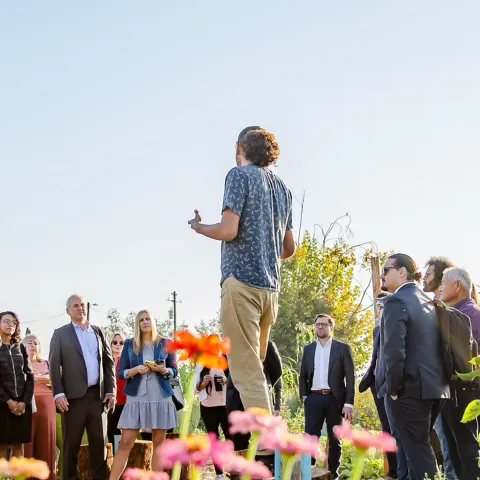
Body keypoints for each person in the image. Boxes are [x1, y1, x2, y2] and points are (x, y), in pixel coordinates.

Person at [188, 126, 295, 413]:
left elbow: (228, 230)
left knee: (246, 372)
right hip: (270, 289)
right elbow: (289, 248)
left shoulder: (238, 175)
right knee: (256, 371)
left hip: (242, 283)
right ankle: (266, 442)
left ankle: (266, 448)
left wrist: (199, 228)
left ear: (239, 147)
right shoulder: (283, 189)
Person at [377, 254, 449, 480]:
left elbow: (394, 350)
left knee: (417, 451)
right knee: (411, 450)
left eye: (385, 269)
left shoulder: (396, 301)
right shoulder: (429, 302)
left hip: (408, 390)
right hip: (435, 388)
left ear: (402, 272)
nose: (381, 274)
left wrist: (394, 389)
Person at [49, 294, 116, 480]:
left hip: (98, 398)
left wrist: (111, 390)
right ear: (68, 311)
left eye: (82, 305)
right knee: (70, 448)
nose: (80, 308)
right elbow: (54, 366)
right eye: (76, 306)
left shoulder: (98, 331)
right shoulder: (60, 334)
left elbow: (109, 363)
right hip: (72, 400)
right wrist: (58, 394)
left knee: (99, 449)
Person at [110, 310, 178, 479]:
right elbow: (120, 372)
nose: (145, 322)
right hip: (136, 397)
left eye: (148, 318)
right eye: (141, 320)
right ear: (137, 324)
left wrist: (164, 370)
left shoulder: (166, 343)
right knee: (125, 442)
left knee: (159, 443)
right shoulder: (129, 344)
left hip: (160, 397)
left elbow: (174, 370)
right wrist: (134, 370)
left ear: (153, 321)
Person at [299, 314, 355, 478]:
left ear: (331, 327)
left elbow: (350, 377)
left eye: (324, 324)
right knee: (310, 437)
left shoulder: (342, 348)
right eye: (317, 325)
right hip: (313, 398)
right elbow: (303, 376)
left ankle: (333, 475)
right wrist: (304, 396)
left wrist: (348, 403)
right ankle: (309, 473)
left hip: (334, 399)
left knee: (335, 439)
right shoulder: (308, 348)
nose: (320, 327)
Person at [438, 266, 480, 480]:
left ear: (457, 285)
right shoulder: (453, 313)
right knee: (456, 453)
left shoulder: (470, 314)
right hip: (453, 392)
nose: (440, 287)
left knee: (467, 452)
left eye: (444, 282)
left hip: (464, 392)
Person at [423, 256, 456, 480]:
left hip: (448, 387)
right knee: (442, 440)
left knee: (450, 440)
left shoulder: (446, 310)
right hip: (434, 386)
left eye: (428, 273)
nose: (423, 277)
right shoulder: (430, 307)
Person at [359, 293, 397, 480]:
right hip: (377, 385)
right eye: (377, 307)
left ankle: (401, 472)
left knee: (396, 430)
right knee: (386, 430)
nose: (379, 310)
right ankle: (392, 472)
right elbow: (376, 357)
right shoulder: (376, 330)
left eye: (382, 306)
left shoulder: (397, 325)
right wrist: (370, 378)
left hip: (394, 385)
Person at [0, 311, 34, 459]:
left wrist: (24, 402)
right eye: (6, 321)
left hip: (22, 405)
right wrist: (8, 401)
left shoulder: (21, 348)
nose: (10, 324)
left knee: (18, 447)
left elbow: (30, 375)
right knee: (1, 448)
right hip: (2, 404)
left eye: (13, 322)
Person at [23, 334, 56, 479]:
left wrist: (44, 378)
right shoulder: (19, 363)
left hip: (47, 406)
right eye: (29, 342)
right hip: (26, 406)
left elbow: (56, 380)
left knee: (47, 443)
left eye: (36, 343)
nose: (33, 345)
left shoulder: (47, 363)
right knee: (26, 445)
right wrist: (33, 377)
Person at [194, 358, 230, 480]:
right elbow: (195, 389)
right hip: (207, 406)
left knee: (230, 437)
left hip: (225, 405)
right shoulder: (202, 363)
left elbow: (237, 382)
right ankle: (219, 474)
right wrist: (203, 383)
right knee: (214, 441)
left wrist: (227, 381)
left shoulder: (225, 361)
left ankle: (234, 469)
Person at [107, 332, 127, 451]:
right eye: (115, 342)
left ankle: (125, 461)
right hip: (110, 402)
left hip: (125, 401)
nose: (118, 345)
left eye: (121, 342)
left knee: (125, 433)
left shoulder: (126, 361)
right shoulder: (106, 360)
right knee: (112, 431)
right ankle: (116, 458)